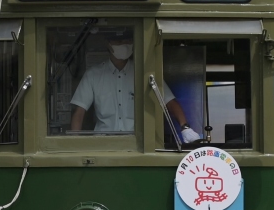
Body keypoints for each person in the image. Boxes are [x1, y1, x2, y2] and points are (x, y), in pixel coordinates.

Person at [69, 33, 199, 143]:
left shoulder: (145, 73)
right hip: (103, 144)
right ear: (108, 44)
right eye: (118, 41)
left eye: (128, 41)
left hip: (138, 144)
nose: (124, 44)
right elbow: (79, 112)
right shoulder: (93, 75)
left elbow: (169, 101)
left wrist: (185, 128)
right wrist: (75, 142)